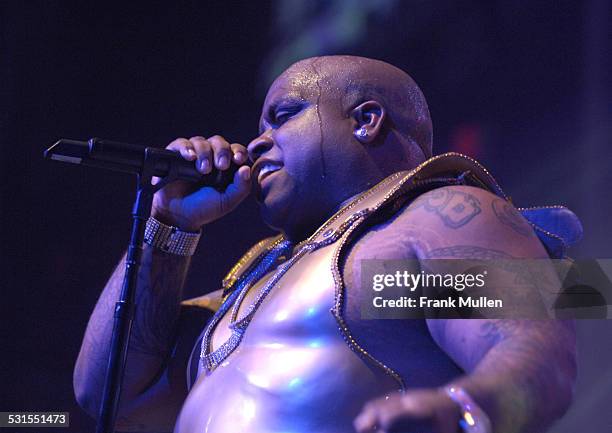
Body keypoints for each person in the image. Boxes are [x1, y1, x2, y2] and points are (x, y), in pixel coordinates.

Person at [73, 56, 577, 433]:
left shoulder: (430, 219)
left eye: (283, 116)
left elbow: (537, 351)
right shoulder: (252, 284)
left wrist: (463, 411)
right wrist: (168, 225)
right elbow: (107, 394)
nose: (255, 144)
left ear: (365, 120)